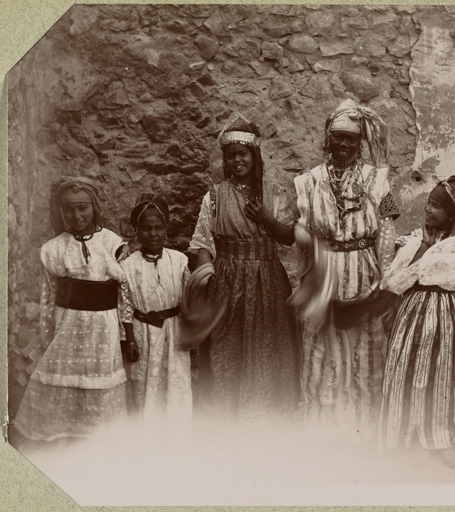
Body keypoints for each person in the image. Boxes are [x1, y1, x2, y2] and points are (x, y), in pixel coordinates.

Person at [292, 98, 399, 443]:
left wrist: (386, 281)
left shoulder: (378, 180)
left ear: (360, 143)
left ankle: (363, 434)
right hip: (325, 275)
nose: (342, 145)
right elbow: (303, 235)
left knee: (364, 351)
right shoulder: (307, 182)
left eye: (350, 139)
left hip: (364, 273)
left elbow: (388, 228)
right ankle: (325, 434)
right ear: (327, 138)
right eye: (337, 137)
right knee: (322, 352)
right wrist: (308, 280)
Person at [378, 175, 455, 467]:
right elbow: (396, 278)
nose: (429, 210)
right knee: (408, 375)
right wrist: (429, 255)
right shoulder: (412, 239)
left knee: (449, 376)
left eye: (437, 206)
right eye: (429, 203)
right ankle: (407, 438)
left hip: (453, 321)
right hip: (413, 316)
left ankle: (443, 438)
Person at [189, 113, 300, 420]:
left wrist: (266, 217)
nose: (237, 161)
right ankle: (225, 415)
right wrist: (206, 280)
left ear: (254, 156)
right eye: (230, 156)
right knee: (227, 345)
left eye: (242, 154)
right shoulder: (214, 196)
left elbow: (288, 238)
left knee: (266, 345)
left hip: (267, 278)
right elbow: (203, 243)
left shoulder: (273, 192)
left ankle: (264, 414)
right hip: (227, 279)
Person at [14, 177, 131, 445]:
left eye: (83, 208)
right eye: (69, 209)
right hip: (67, 329)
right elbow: (48, 298)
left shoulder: (112, 243)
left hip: (103, 329)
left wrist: (126, 334)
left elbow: (124, 294)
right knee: (61, 380)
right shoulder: (54, 250)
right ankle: (58, 437)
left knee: (97, 384)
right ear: (60, 211)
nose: (76, 215)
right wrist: (47, 336)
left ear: (94, 207)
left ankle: (94, 440)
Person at [120, 195, 193, 424]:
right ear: (137, 232)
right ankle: (146, 436)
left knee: (175, 381)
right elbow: (125, 306)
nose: (153, 234)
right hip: (143, 333)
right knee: (145, 383)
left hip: (174, 331)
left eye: (158, 228)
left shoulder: (179, 261)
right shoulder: (128, 266)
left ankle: (175, 434)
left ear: (166, 230)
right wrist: (130, 340)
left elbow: (189, 299)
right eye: (147, 229)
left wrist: (192, 331)